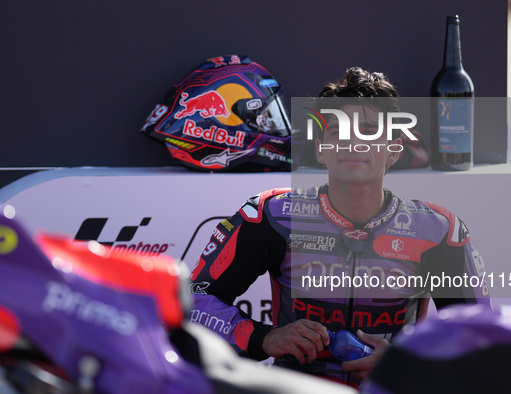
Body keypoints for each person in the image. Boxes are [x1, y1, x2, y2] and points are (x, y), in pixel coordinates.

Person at [189, 67, 490, 387]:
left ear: (393, 150)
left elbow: (483, 336)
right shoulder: (272, 215)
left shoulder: (438, 230)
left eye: (370, 130)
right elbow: (191, 302)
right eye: (338, 131)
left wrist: (404, 362)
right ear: (321, 149)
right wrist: (264, 337)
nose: (353, 142)